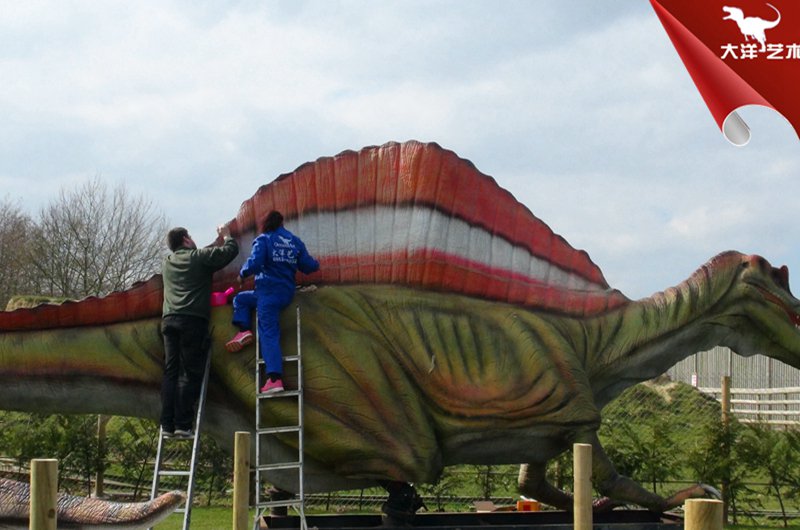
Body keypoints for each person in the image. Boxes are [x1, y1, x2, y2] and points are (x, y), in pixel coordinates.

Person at [225, 210, 319, 394]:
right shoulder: (294, 242)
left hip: (267, 293)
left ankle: (274, 379)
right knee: (241, 299)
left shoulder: (264, 240)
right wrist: (316, 264)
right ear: (282, 223)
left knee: (268, 332)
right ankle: (243, 331)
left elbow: (255, 262)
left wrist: (242, 273)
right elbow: (309, 266)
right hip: (285, 293)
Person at [160, 225, 238, 437]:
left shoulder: (167, 263)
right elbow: (229, 252)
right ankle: (183, 425)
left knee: (170, 372)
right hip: (191, 320)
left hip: (168, 320)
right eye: (191, 236)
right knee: (189, 372)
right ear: (185, 239)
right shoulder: (198, 257)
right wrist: (227, 235)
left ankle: (166, 425)